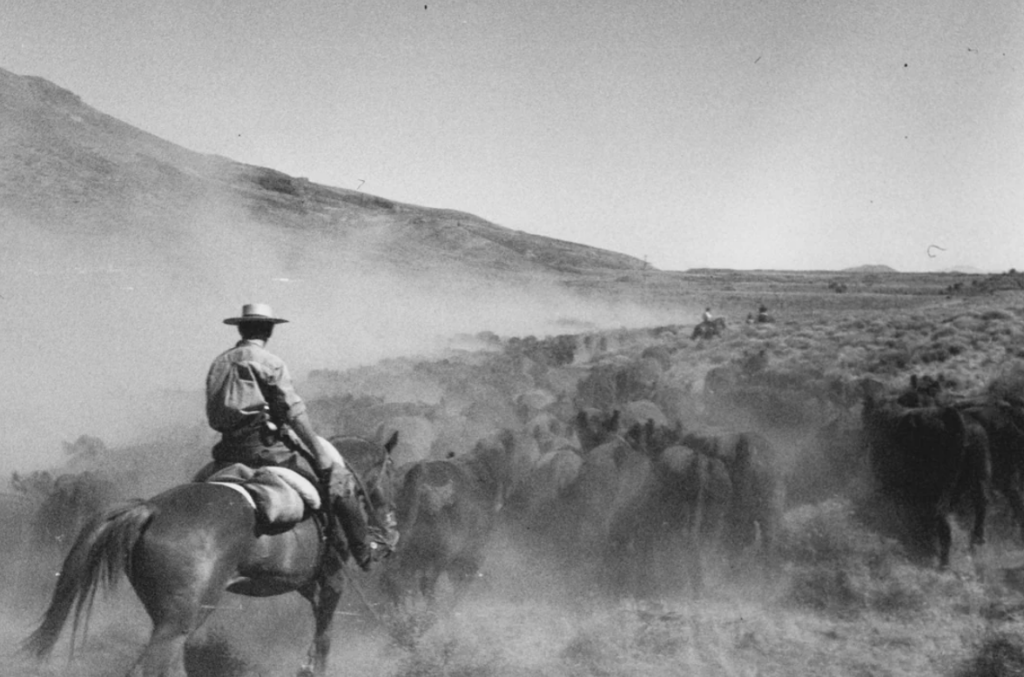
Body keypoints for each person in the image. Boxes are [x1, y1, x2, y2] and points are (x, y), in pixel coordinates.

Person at [204, 303, 385, 570]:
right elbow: (294, 412)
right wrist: (320, 453)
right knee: (338, 482)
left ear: (241, 329)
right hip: (265, 450)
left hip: (226, 451)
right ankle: (362, 551)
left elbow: (213, 412)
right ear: (268, 331)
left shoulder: (219, 363)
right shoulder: (271, 363)